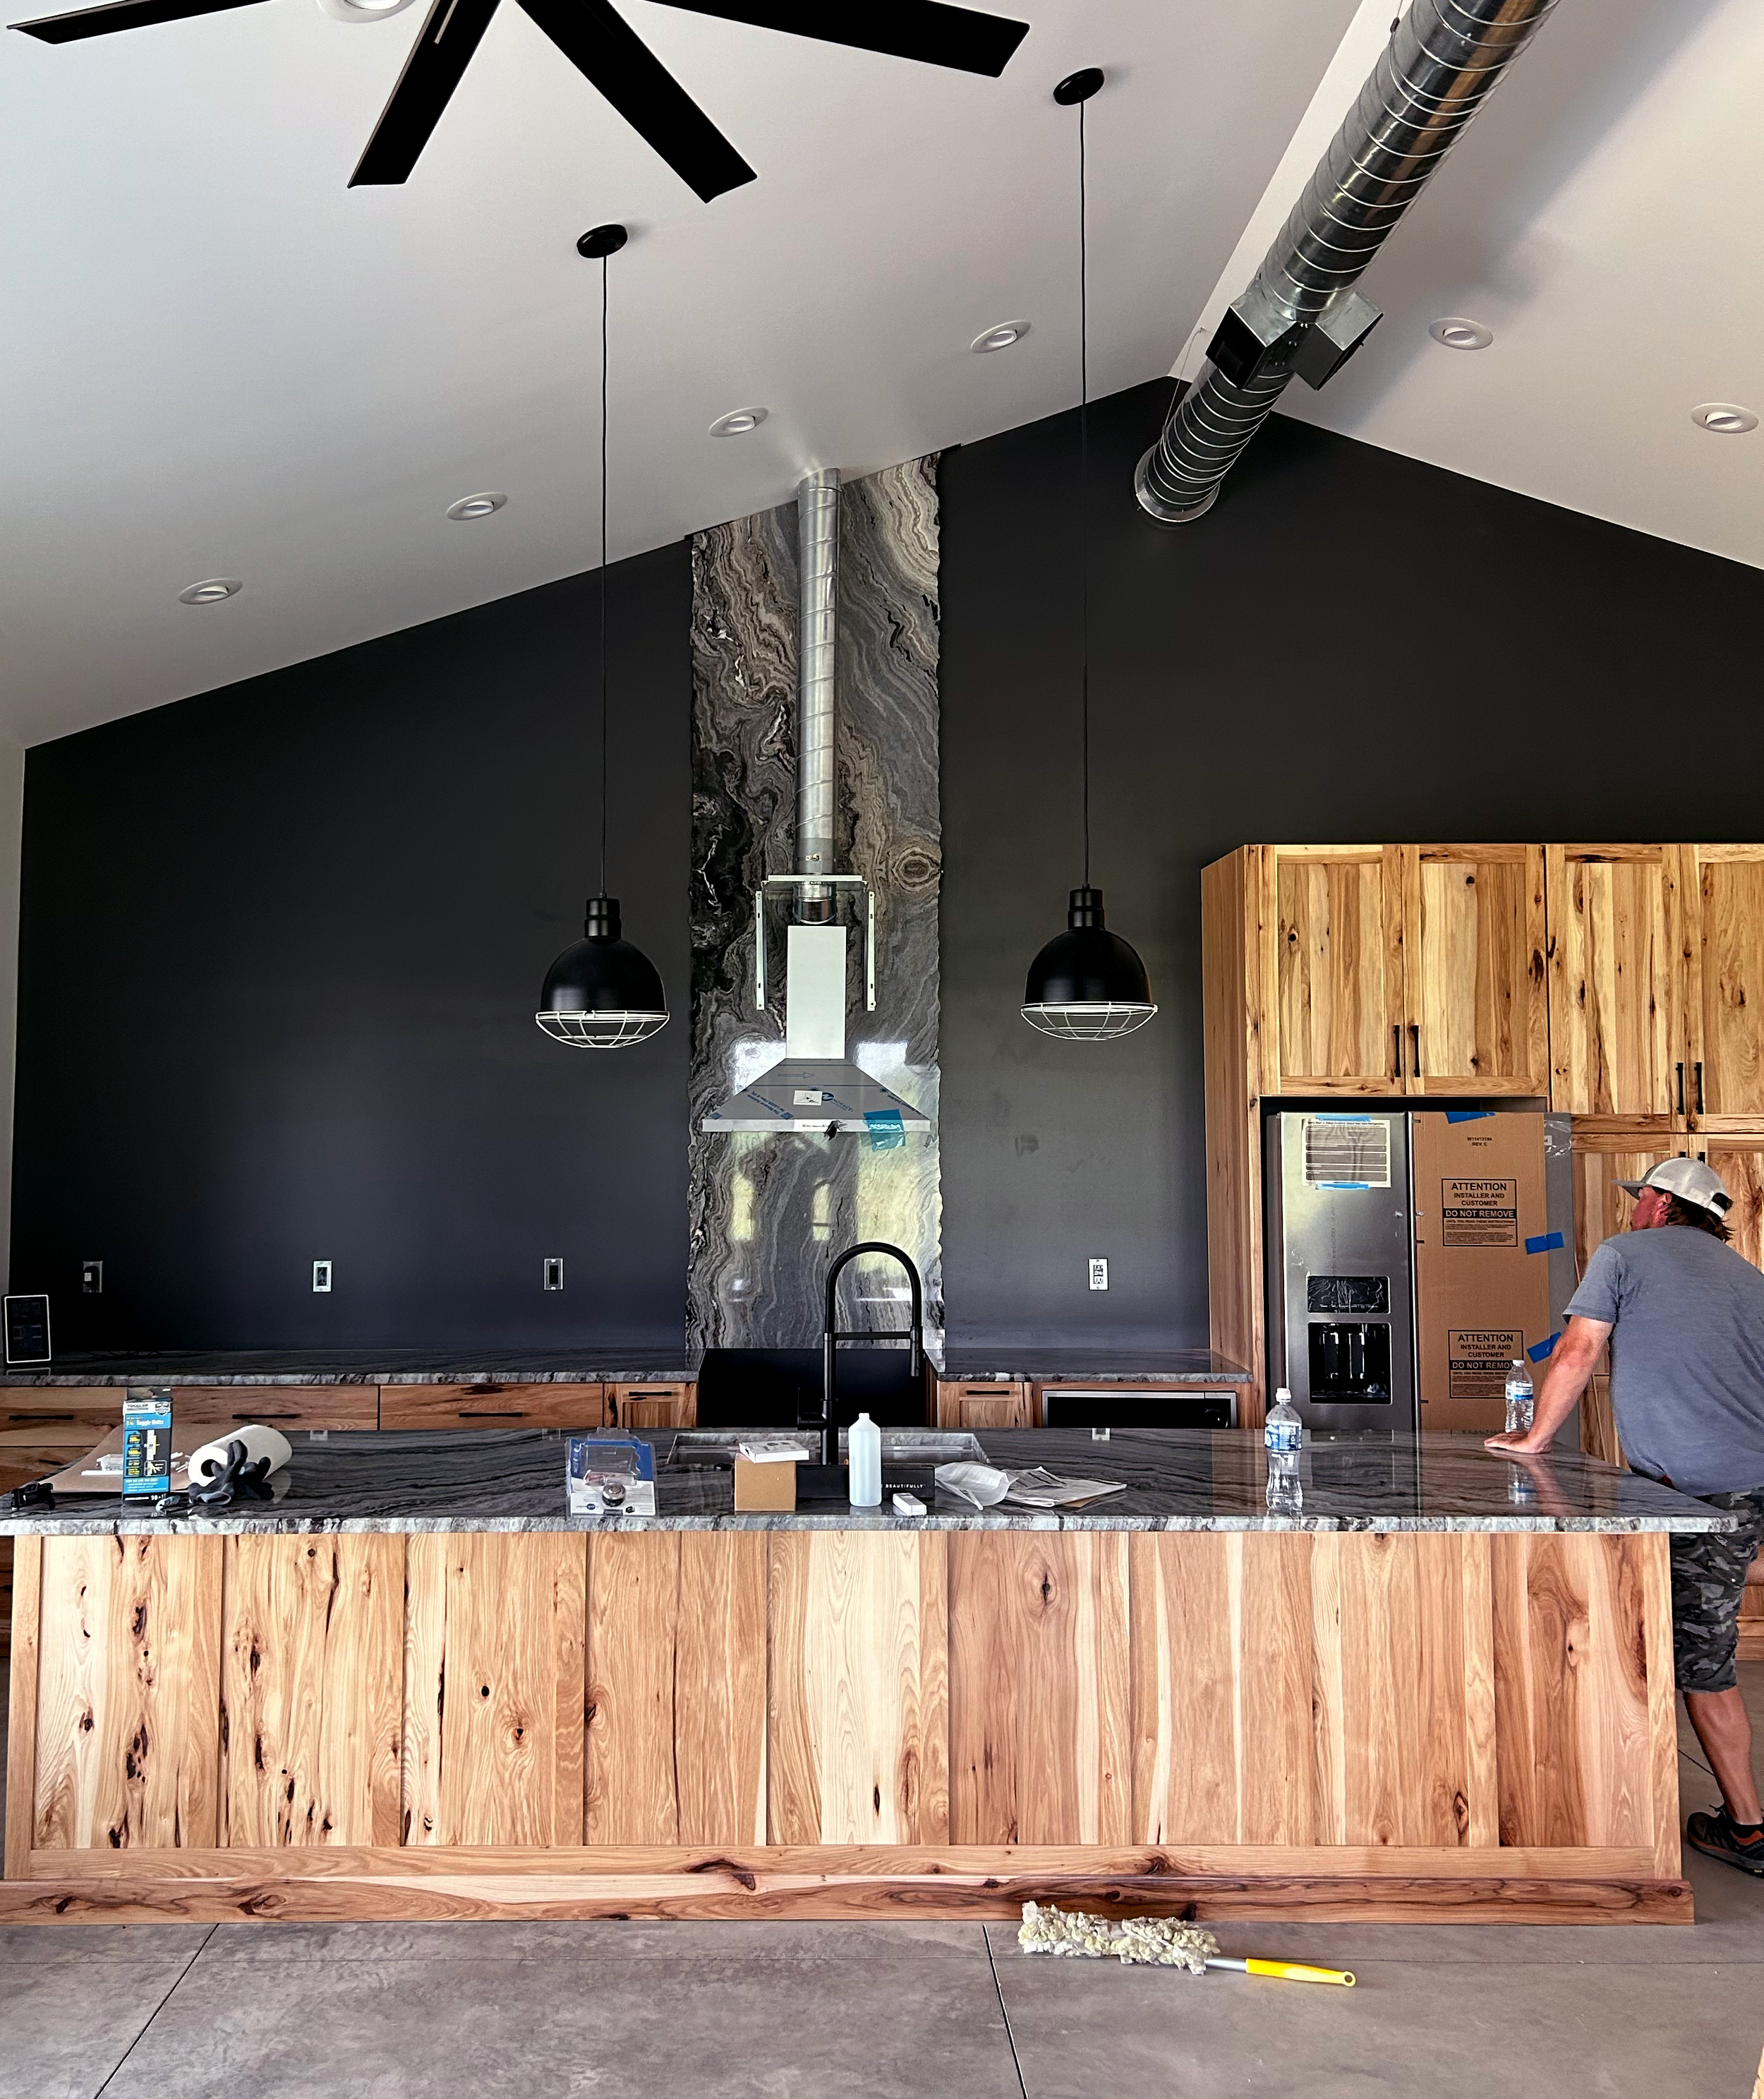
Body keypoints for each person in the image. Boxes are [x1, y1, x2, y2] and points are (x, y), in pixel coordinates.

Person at [1485, 1157, 1764, 1878]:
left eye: (1639, 1197)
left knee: (1697, 1660)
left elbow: (1578, 1350)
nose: (1632, 1209)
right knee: (1652, 1638)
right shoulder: (1745, 1278)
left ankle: (1749, 1829)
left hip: (1701, 1495)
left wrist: (1535, 1439)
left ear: (1658, 1203)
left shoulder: (1622, 1254)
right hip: (1724, 1489)